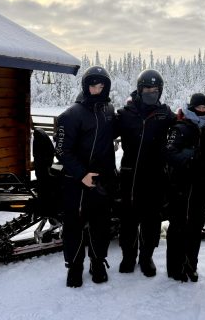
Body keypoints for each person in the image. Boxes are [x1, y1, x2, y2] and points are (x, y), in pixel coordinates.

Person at [55, 66, 117, 288]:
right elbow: (62, 150)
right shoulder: (71, 115)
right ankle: (74, 266)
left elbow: (115, 133)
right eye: (93, 85)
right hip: (77, 181)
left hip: (102, 180)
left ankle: (97, 262)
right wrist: (81, 174)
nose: (97, 89)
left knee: (101, 225)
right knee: (74, 225)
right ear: (85, 86)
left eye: (101, 86)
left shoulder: (108, 110)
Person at [115, 69, 176, 277]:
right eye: (147, 88)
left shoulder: (165, 114)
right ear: (139, 89)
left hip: (155, 176)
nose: (151, 92)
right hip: (130, 176)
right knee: (128, 220)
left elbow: (183, 127)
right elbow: (102, 133)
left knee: (151, 221)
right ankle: (128, 256)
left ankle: (146, 256)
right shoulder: (125, 114)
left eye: (155, 89)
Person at [165, 93, 205, 282]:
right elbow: (169, 153)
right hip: (181, 185)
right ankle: (175, 267)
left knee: (195, 227)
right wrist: (189, 157)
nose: (202, 111)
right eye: (199, 107)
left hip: (200, 186)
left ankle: (190, 265)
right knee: (178, 226)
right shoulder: (180, 128)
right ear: (192, 107)